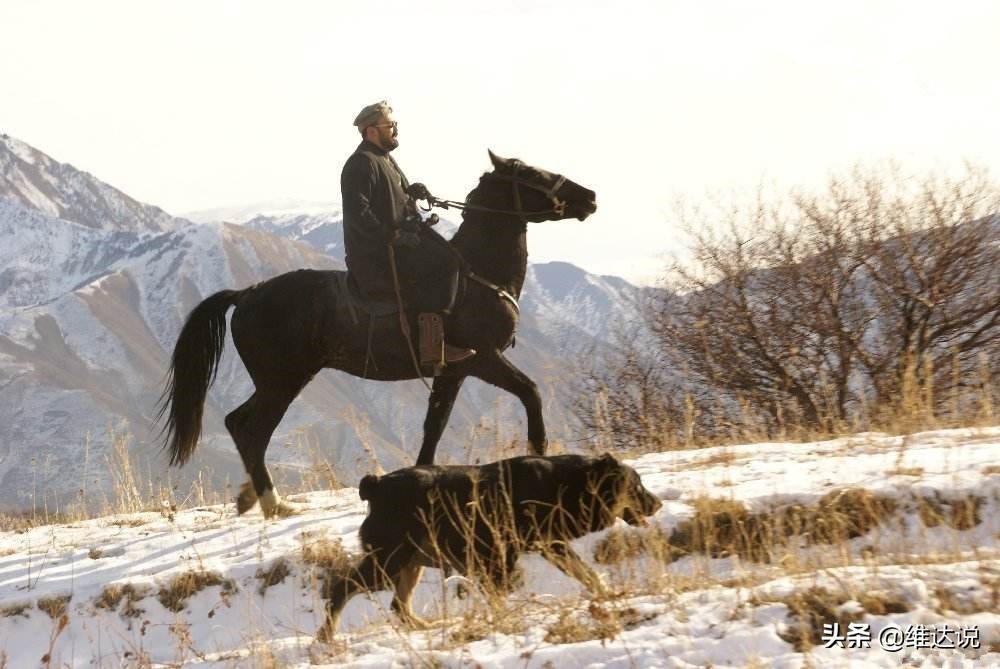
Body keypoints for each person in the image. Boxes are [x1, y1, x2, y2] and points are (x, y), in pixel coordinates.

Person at [341, 101, 475, 372]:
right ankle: (431, 347)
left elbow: (389, 200)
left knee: (454, 257)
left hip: (399, 241)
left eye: (394, 126)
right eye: (390, 126)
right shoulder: (361, 163)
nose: (395, 131)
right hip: (376, 253)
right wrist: (391, 237)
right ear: (371, 131)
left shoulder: (384, 159)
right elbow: (359, 212)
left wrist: (411, 191)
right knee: (444, 265)